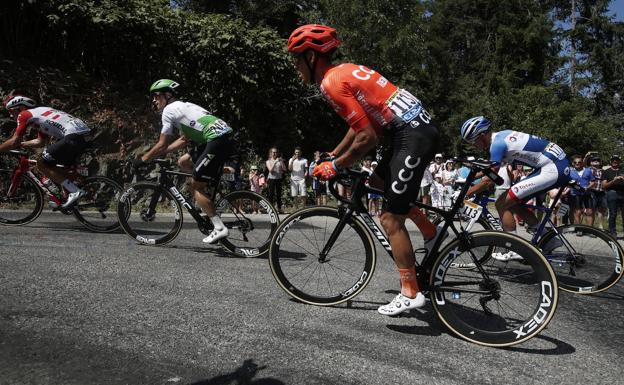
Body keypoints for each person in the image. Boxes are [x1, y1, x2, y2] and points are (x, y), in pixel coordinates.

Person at [288, 24, 441, 316]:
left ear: (311, 56)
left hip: (411, 135)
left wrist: (335, 165)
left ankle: (410, 292)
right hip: (408, 131)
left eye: (297, 61)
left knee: (390, 217)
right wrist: (334, 154)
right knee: (378, 182)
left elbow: (367, 138)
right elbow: (357, 126)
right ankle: (429, 231)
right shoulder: (343, 70)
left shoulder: (330, 83)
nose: (296, 69)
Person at [133, 79, 235, 244]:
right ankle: (209, 181)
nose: (154, 100)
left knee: (196, 187)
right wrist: (165, 152)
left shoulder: (169, 110)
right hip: (221, 139)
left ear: (168, 95)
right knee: (183, 161)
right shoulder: (185, 108)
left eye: (156, 95)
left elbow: (161, 143)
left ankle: (219, 227)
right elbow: (183, 140)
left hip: (215, 140)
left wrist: (143, 159)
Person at [461, 116, 571, 260]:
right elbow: (491, 170)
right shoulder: (501, 137)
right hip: (555, 165)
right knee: (513, 203)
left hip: (552, 168)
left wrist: (465, 193)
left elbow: (489, 180)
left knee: (501, 203)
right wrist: (471, 177)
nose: (473, 145)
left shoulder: (497, 145)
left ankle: (514, 248)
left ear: (481, 135)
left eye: (473, 141)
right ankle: (548, 239)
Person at [0, 95, 92, 208]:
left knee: (41, 164)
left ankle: (75, 191)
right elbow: (40, 142)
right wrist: (22, 144)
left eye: (11, 111)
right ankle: (71, 195)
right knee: (60, 167)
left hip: (73, 136)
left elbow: (14, 141)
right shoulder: (41, 113)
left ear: (21, 108)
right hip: (84, 135)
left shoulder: (24, 114)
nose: (10, 115)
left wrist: (8, 146)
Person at [568, 155, 595, 226]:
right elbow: (567, 183)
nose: (577, 163)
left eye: (579, 162)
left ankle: (590, 230)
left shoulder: (588, 170)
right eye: (575, 162)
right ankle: (578, 228)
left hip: (587, 193)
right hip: (575, 194)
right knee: (578, 212)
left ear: (582, 163)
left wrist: (588, 187)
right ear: (573, 163)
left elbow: (593, 181)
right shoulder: (570, 172)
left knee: (590, 211)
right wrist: (572, 185)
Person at [603, 155, 624, 238]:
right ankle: (612, 232)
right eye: (613, 160)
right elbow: (604, 186)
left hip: (623, 193)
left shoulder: (623, 170)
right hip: (612, 193)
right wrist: (614, 181)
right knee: (613, 214)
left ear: (619, 161)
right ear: (611, 161)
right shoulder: (606, 171)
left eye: (617, 160)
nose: (615, 161)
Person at [588, 156, 607, 230]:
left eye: (598, 160)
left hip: (601, 192)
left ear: (600, 162)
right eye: (594, 160)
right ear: (591, 162)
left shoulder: (603, 171)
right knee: (591, 210)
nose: (596, 161)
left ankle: (601, 226)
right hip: (592, 191)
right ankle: (590, 227)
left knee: (601, 210)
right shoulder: (588, 170)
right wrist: (586, 156)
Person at [266, 147, 286, 213]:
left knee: (278, 194)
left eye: (276, 152)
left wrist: (282, 162)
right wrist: (275, 162)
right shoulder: (268, 161)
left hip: (278, 179)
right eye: (273, 152)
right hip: (271, 179)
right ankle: (271, 209)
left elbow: (284, 169)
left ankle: (279, 209)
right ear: (271, 153)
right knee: (271, 194)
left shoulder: (279, 161)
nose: (274, 153)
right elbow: (270, 170)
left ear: (277, 153)